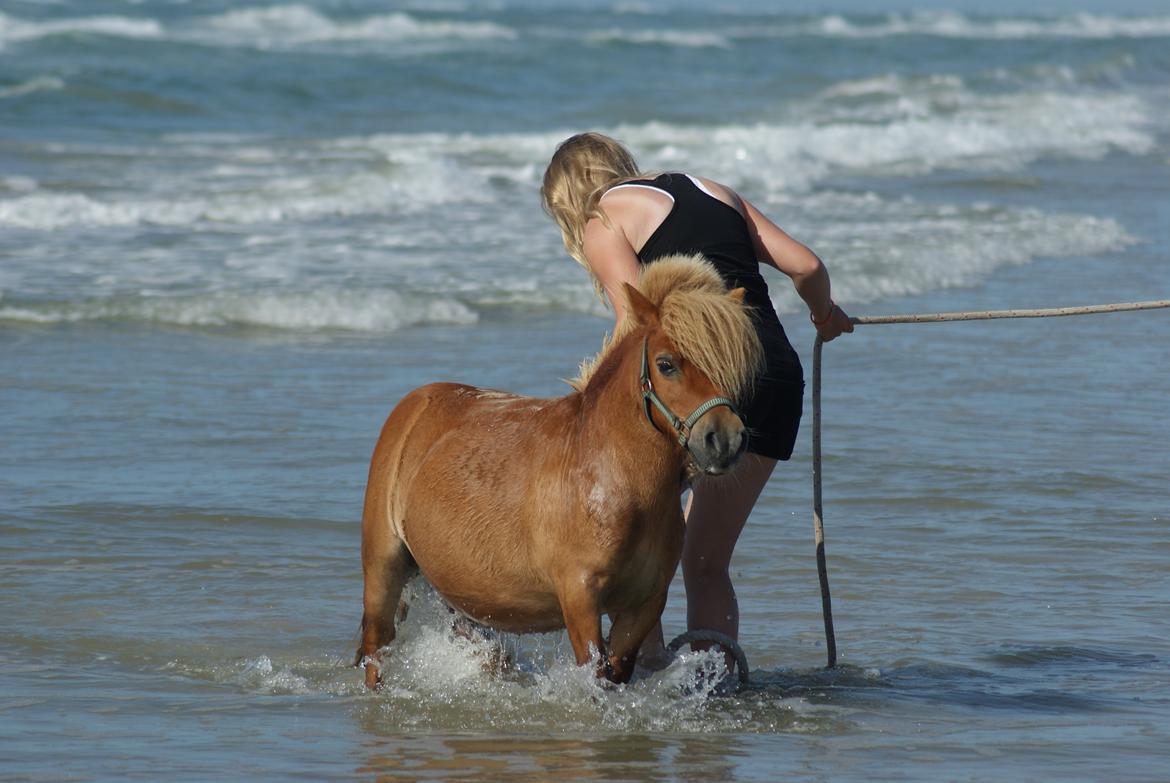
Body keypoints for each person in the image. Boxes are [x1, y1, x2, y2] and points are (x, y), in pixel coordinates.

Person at [541, 132, 852, 669]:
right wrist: (825, 315)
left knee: (642, 551)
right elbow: (806, 267)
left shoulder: (603, 221)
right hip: (773, 378)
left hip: (698, 388)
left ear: (568, 198)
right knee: (705, 559)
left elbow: (637, 324)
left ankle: (647, 679)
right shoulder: (713, 190)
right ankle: (715, 689)